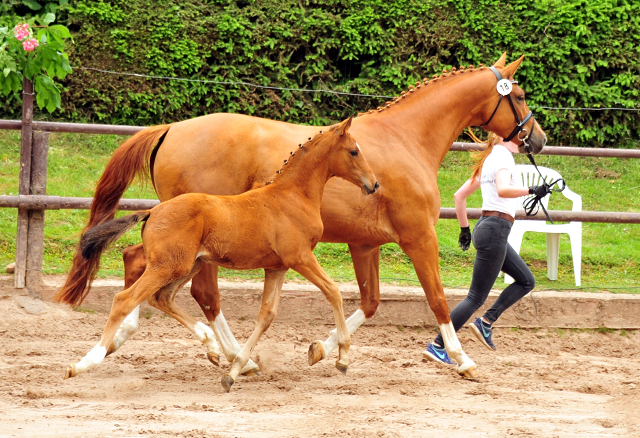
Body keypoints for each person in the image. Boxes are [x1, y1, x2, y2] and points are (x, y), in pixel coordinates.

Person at [423, 132, 547, 364]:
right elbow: (502, 190)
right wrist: (532, 190)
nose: (522, 140)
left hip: (487, 228)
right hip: (496, 229)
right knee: (475, 297)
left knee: (526, 280)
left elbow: (459, 196)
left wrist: (464, 229)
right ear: (503, 137)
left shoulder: (490, 158)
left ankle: (486, 322)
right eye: (517, 136)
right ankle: (439, 345)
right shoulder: (504, 159)